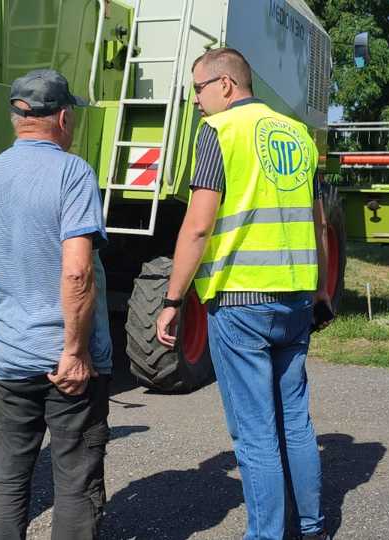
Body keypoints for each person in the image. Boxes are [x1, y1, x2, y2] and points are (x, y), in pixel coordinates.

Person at [155, 48, 330, 540]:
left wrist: (172, 301)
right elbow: (318, 223)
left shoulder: (219, 131)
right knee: (294, 421)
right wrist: (319, 291)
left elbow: (198, 226)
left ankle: (266, 535)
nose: (195, 100)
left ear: (226, 85)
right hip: (295, 297)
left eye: (198, 89)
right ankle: (312, 527)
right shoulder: (298, 134)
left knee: (254, 433)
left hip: (240, 301)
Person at [0, 69, 113, 540]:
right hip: (68, 362)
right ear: (64, 118)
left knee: (8, 479)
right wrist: (74, 350)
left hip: (8, 359)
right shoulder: (73, 172)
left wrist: (6, 331)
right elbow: (77, 271)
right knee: (75, 480)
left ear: (15, 118)